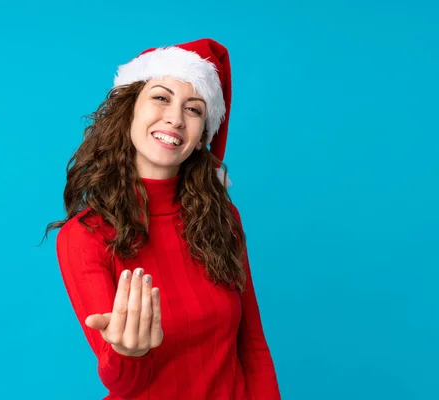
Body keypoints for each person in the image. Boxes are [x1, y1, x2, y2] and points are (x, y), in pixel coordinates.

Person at [45, 38, 281, 399]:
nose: (175, 118)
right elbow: (123, 383)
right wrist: (129, 352)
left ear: (203, 135)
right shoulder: (85, 236)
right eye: (160, 97)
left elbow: (252, 347)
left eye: (194, 109)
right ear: (130, 111)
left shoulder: (222, 217)